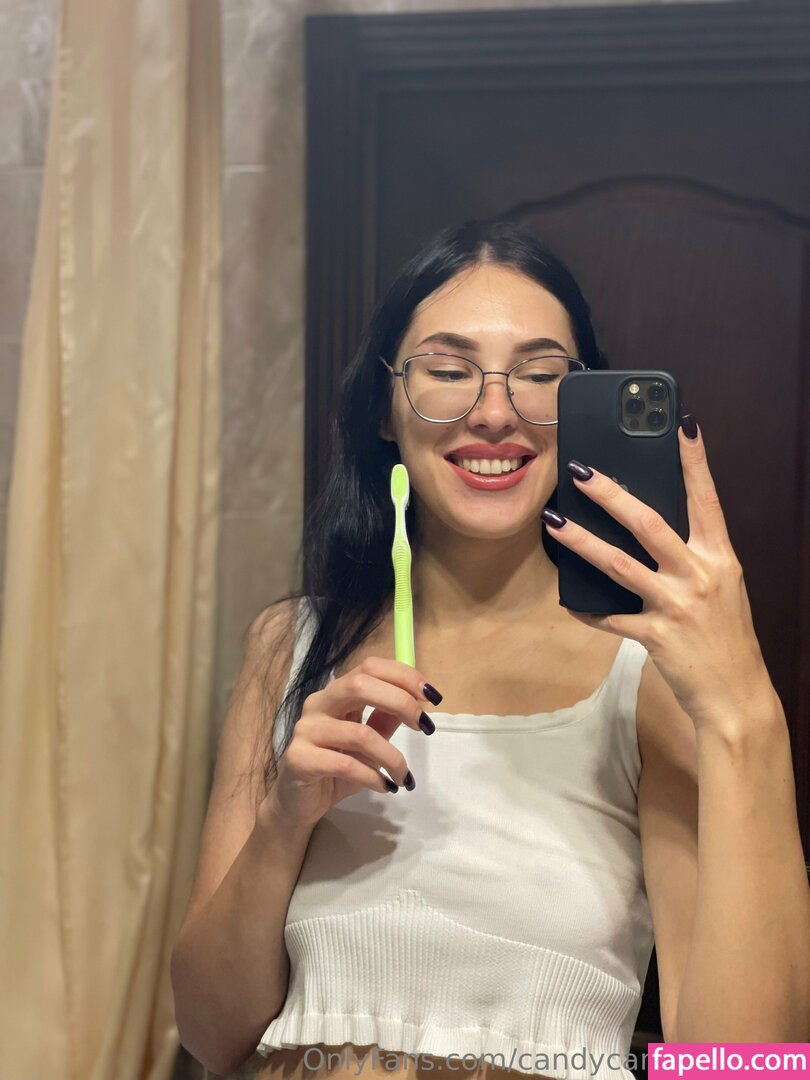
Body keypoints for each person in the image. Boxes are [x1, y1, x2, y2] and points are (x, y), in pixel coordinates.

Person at [170, 220, 810, 1080]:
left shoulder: (646, 676)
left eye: (541, 376)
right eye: (447, 370)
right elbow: (211, 1035)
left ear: (582, 409)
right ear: (384, 408)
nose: (496, 412)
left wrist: (744, 713)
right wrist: (285, 822)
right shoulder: (290, 648)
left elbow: (741, 1065)